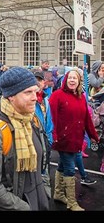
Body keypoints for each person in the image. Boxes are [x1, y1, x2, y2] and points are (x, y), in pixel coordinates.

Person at [0, 66, 50, 210]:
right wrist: (23, 207)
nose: (35, 97)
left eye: (35, 91)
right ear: (11, 96)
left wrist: (45, 192)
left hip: (36, 200)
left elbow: (42, 163)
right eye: (28, 92)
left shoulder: (31, 120)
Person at [49, 69, 99, 211]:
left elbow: (86, 119)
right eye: (70, 78)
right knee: (70, 168)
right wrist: (55, 136)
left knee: (62, 165)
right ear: (65, 80)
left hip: (76, 138)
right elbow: (52, 118)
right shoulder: (57, 95)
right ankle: (72, 202)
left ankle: (58, 193)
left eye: (75, 78)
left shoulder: (81, 97)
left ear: (78, 82)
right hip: (63, 140)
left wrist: (93, 135)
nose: (72, 80)